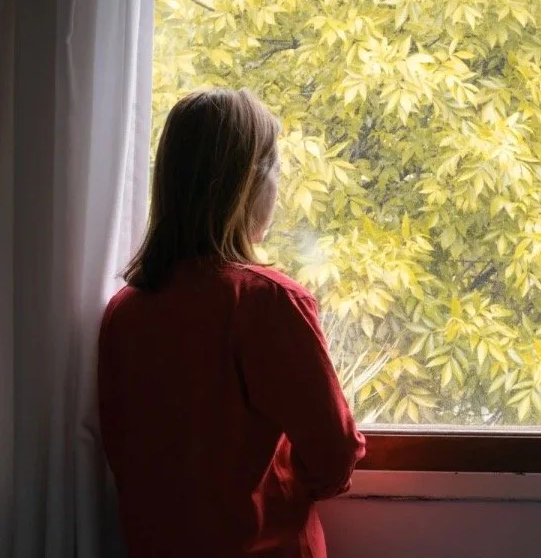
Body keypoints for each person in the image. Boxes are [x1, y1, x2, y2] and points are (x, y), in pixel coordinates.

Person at [98, 88, 366, 558]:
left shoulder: (126, 311)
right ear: (249, 183)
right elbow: (333, 458)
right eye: (277, 169)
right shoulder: (267, 302)